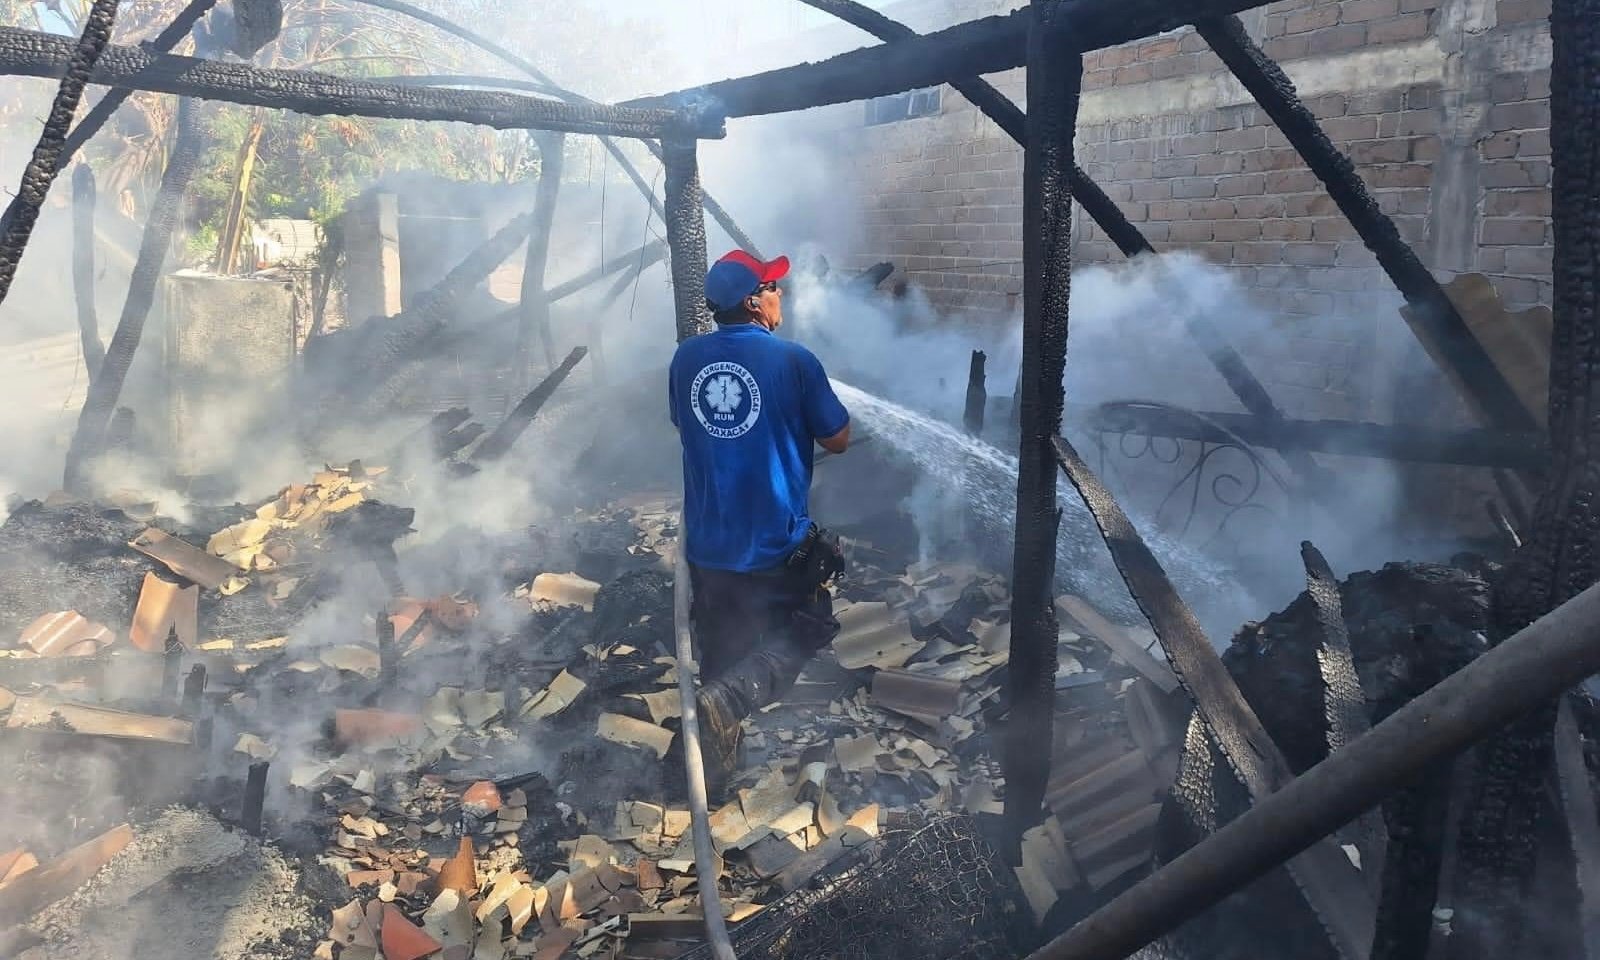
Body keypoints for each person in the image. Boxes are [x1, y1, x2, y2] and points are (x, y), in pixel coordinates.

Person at [668, 249, 852, 794]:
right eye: (774, 288)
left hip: (708, 547)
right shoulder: (794, 360)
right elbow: (838, 440)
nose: (781, 298)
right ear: (753, 301)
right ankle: (727, 706)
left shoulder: (685, 358)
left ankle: (706, 781)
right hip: (774, 546)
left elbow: (686, 423)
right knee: (811, 624)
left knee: (722, 658)